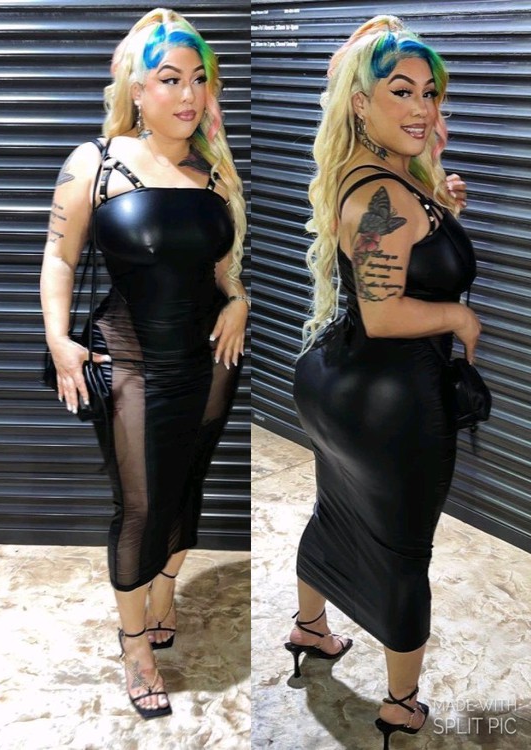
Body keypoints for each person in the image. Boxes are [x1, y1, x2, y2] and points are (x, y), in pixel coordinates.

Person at [40, 8, 248, 720]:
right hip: (128, 357)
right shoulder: (96, 162)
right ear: (136, 88)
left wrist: (239, 301)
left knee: (187, 486)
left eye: (199, 79)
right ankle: (135, 648)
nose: (188, 94)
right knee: (140, 506)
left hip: (210, 358)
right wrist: (58, 339)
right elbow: (59, 257)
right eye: (169, 79)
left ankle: (162, 596)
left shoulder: (212, 173)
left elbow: (222, 270)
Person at [288, 15, 480, 748]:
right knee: (404, 551)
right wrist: (458, 317)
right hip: (390, 400)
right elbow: (384, 311)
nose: (422, 107)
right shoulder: (384, 197)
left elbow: (398, 242)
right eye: (401, 91)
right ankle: (401, 707)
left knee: (335, 510)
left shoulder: (370, 173)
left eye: (430, 92)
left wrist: (439, 200)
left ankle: (309, 627)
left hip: (337, 383)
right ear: (361, 103)